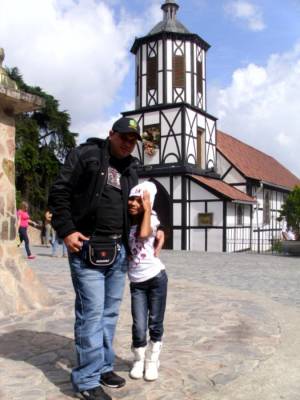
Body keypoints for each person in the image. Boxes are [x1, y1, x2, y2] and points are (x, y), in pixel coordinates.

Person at [48, 117, 164, 400]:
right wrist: (66, 230)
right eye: (123, 136)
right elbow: (59, 192)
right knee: (91, 314)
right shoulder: (86, 154)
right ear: (111, 134)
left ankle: (101, 366)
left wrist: (155, 229)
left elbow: (136, 209)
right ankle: (86, 381)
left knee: (109, 314)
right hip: (87, 247)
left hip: (119, 251)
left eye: (132, 140)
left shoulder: (132, 169)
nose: (127, 143)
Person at [127, 181, 168, 382]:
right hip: (136, 282)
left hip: (156, 278)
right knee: (138, 325)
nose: (133, 203)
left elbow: (144, 234)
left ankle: (152, 361)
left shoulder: (151, 218)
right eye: (131, 199)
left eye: (138, 199)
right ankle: (139, 360)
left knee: (155, 323)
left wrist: (148, 207)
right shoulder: (127, 221)